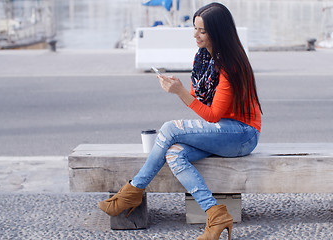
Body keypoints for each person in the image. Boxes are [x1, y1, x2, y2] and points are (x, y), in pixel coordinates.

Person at [98, 2, 262, 239]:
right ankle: (215, 214)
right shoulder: (205, 58)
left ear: (218, 33)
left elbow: (213, 115)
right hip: (222, 133)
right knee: (174, 153)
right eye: (194, 28)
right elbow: (207, 102)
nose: (195, 35)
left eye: (202, 31)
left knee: (170, 128)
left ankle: (132, 191)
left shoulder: (230, 65)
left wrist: (180, 93)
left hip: (242, 135)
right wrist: (181, 88)